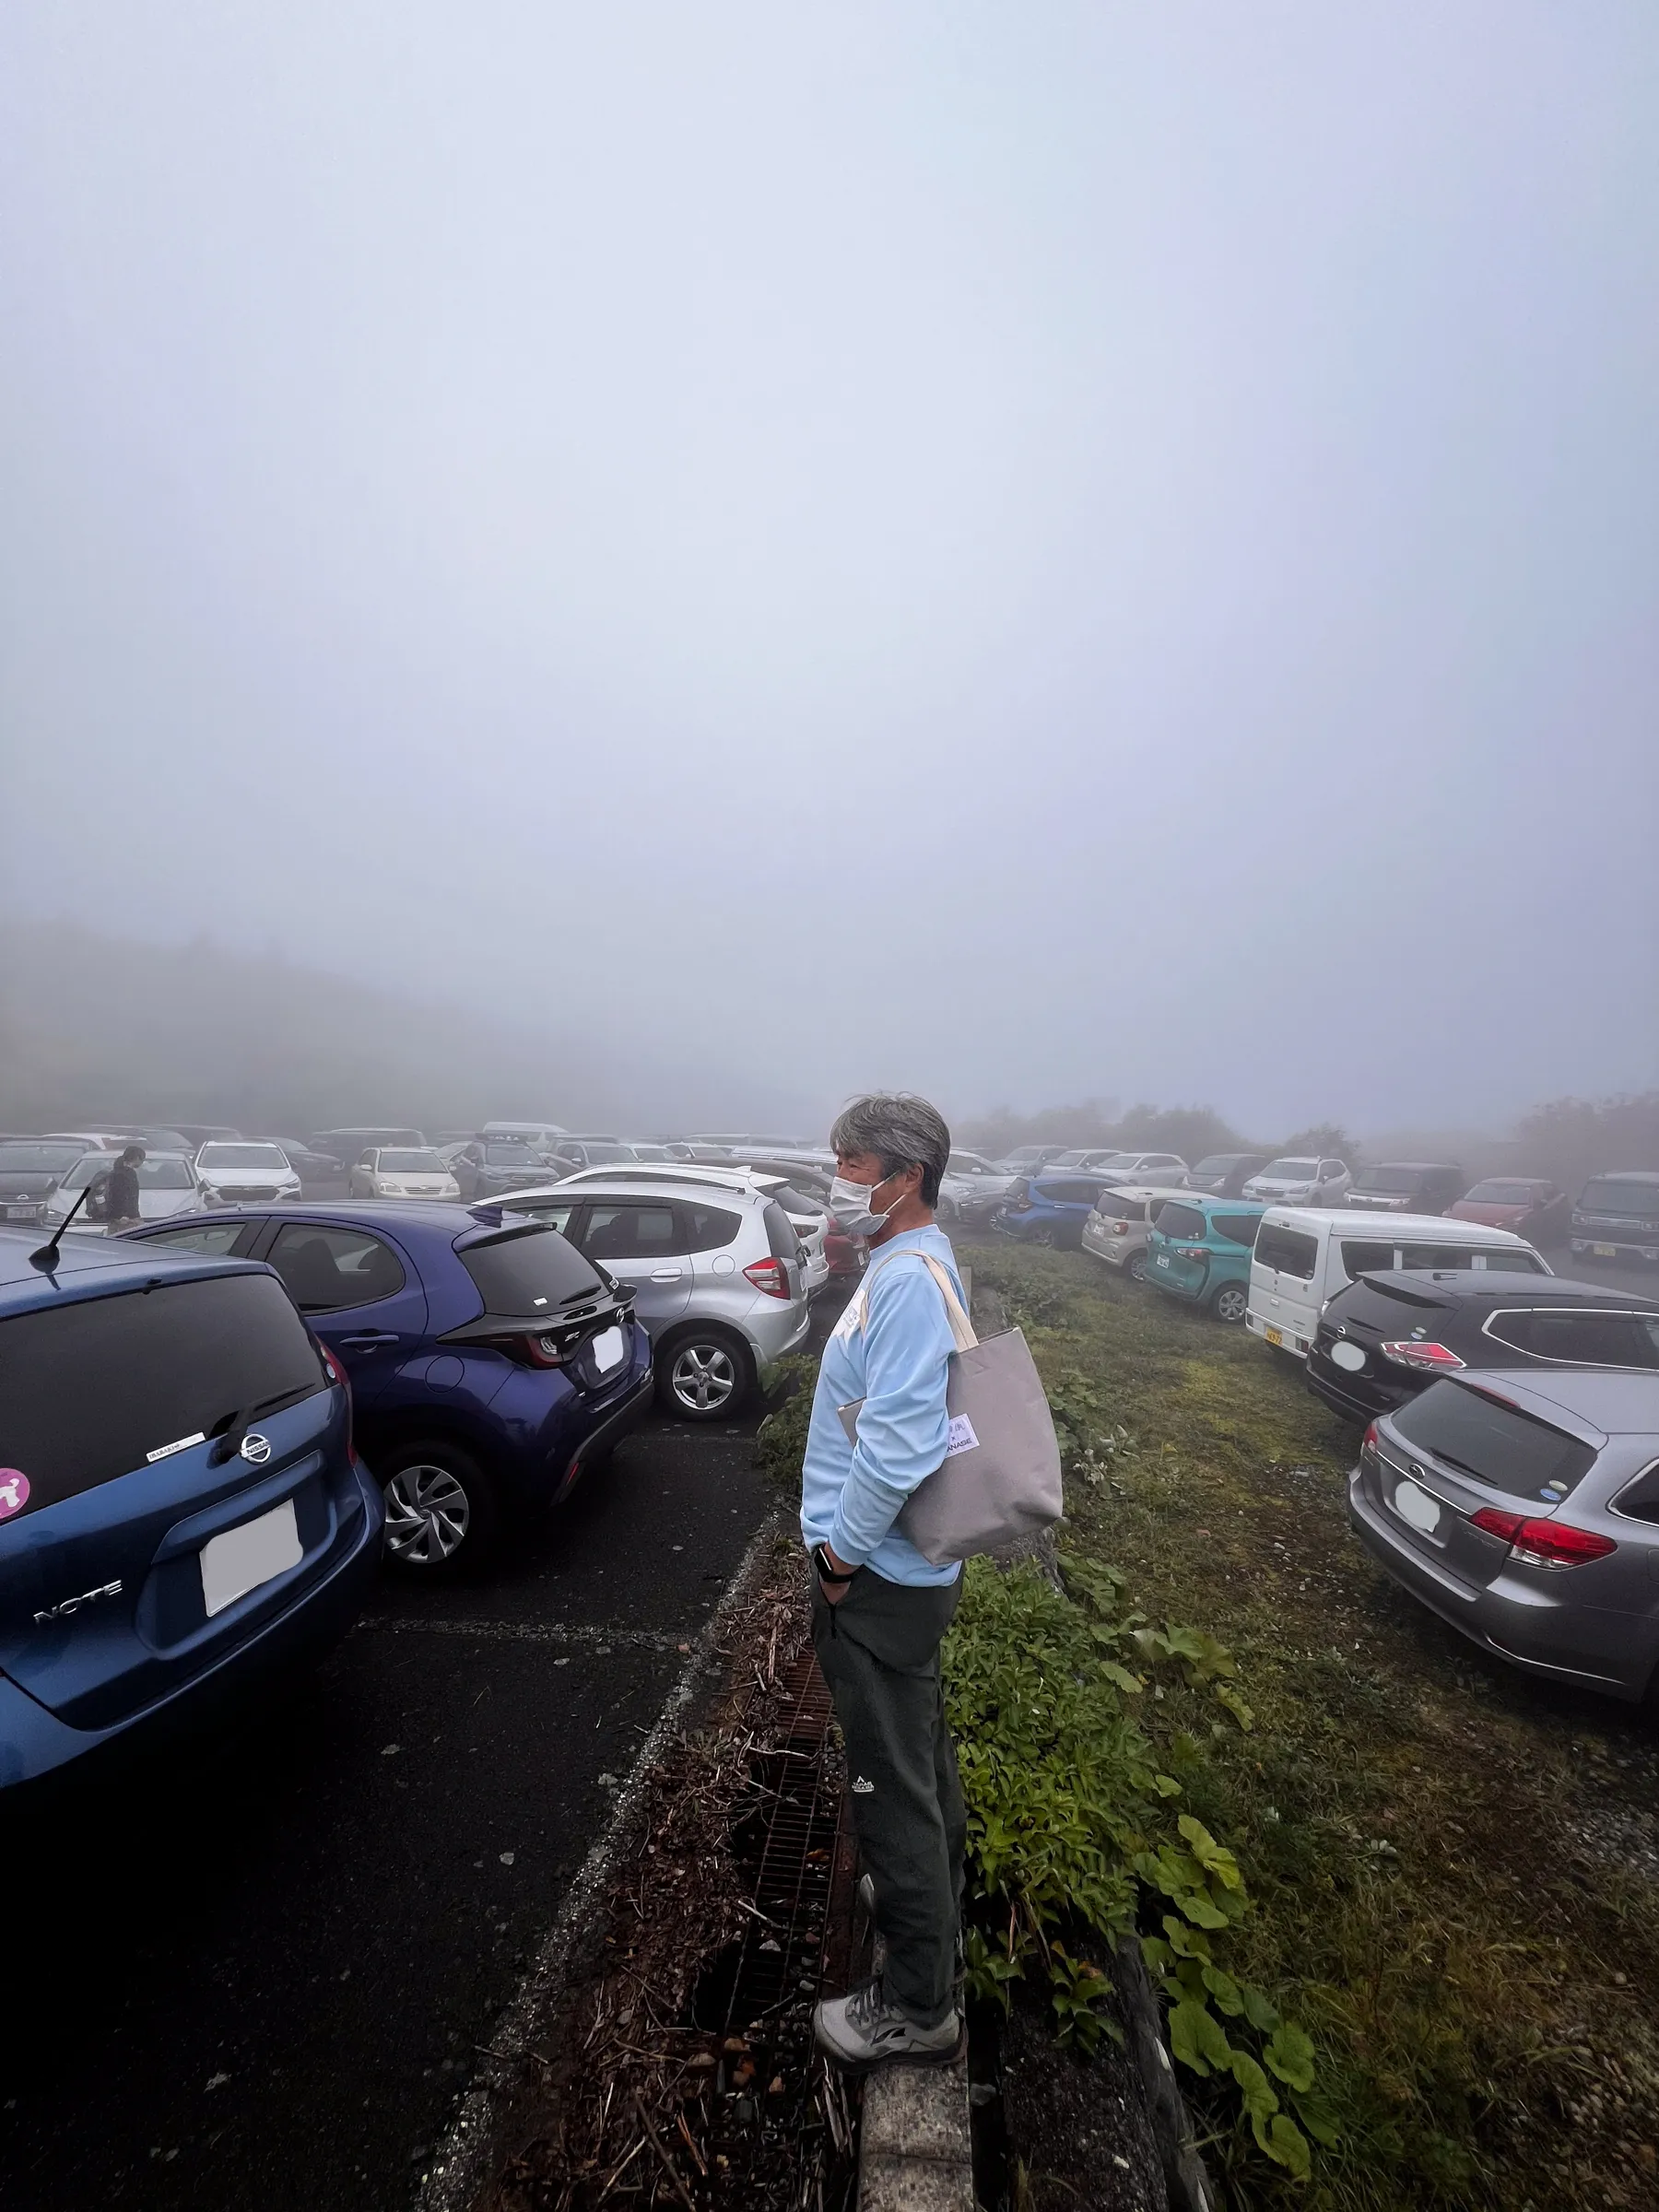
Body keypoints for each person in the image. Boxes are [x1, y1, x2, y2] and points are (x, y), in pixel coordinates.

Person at [803, 1093, 968, 2068]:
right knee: (918, 1756)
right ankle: (930, 1895)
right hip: (903, 1575)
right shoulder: (913, 1262)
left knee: (890, 1788)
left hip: (876, 1580)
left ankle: (917, 2005)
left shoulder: (906, 1280)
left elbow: (897, 1446)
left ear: (905, 1177)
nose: (839, 1175)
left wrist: (836, 1560)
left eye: (853, 1161)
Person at [103, 1143, 145, 1230]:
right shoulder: (126, 1174)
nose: (141, 1163)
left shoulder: (116, 1171)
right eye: (142, 1160)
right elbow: (122, 1195)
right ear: (137, 1158)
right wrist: (123, 1215)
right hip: (126, 1219)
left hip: (116, 1218)